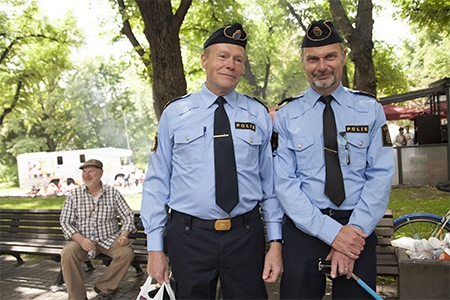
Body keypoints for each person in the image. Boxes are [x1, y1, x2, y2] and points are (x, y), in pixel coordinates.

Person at [141, 23, 284, 299]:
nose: (230, 64)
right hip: (189, 237)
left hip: (245, 236)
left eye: (238, 59)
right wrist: (155, 248)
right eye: (222, 56)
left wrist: (275, 244)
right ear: (204, 60)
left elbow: (271, 184)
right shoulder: (175, 113)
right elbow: (156, 183)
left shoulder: (257, 115)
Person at [273, 20, 395, 299]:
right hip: (305, 230)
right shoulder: (287, 115)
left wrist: (350, 236)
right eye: (313, 58)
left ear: (342, 57)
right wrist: (332, 234)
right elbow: (285, 184)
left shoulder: (369, 109)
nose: (322, 66)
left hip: (357, 227)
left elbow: (380, 175)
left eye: (330, 56)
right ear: (303, 63)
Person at [60, 159, 136, 300]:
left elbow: (128, 216)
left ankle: (104, 286)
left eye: (91, 172)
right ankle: (77, 297)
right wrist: (81, 240)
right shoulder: (73, 195)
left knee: (126, 252)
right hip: (84, 240)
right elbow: (65, 222)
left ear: (100, 173)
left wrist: (124, 235)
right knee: (68, 253)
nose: (86, 175)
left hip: (109, 238)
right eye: (84, 172)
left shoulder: (113, 193)